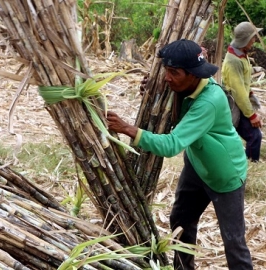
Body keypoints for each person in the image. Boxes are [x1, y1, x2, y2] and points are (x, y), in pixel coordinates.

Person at [106, 39, 253, 269]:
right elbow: (172, 103)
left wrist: (128, 129)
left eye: (174, 73)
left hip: (225, 174)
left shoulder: (210, 101)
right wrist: (152, 90)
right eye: (167, 71)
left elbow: (171, 145)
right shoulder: (184, 85)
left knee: (233, 241)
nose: (168, 78)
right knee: (181, 222)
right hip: (197, 165)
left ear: (194, 74)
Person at [222, 21, 263, 162]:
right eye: (253, 37)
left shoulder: (241, 55)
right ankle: (250, 164)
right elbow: (237, 91)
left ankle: (247, 163)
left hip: (239, 103)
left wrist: (250, 94)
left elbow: (243, 83)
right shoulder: (234, 61)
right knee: (254, 135)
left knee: (250, 135)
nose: (254, 40)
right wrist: (251, 115)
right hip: (234, 105)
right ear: (246, 40)